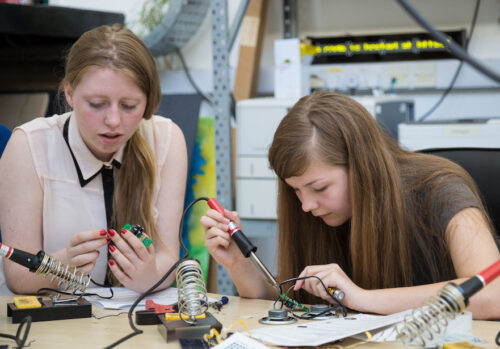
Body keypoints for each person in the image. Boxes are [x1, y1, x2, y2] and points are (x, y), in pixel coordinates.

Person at [201, 91, 500, 319]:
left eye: (319, 188)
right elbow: (290, 305)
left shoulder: (442, 189)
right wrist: (240, 266)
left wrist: (362, 298)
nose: (306, 205)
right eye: (296, 191)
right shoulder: (316, 214)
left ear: (362, 166)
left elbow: (493, 293)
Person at [0, 24, 187, 294]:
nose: (113, 121)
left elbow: (168, 257)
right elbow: (17, 275)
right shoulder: (27, 145)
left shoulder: (167, 138)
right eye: (97, 104)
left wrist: (150, 275)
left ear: (148, 101)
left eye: (129, 106)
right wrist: (59, 265)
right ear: (69, 94)